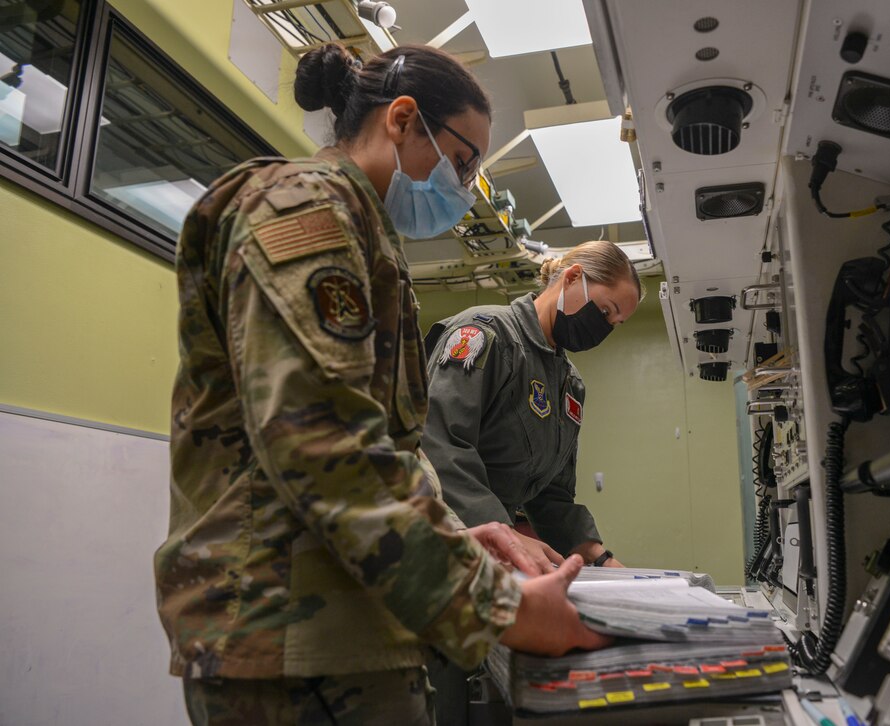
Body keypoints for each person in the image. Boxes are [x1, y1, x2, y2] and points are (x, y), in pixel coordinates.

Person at [153, 43, 607, 726]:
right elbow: (323, 446)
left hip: (345, 626)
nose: (463, 185)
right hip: (288, 639)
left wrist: (463, 532)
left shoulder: (368, 238)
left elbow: (389, 447)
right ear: (401, 119)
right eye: (462, 161)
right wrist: (498, 607)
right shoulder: (303, 213)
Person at [422, 241, 644, 572]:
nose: (605, 327)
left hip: (494, 551)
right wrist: (503, 531)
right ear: (572, 278)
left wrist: (600, 558)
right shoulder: (486, 334)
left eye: (615, 323)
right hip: (440, 539)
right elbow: (436, 444)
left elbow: (550, 495)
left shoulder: (569, 384)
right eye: (604, 311)